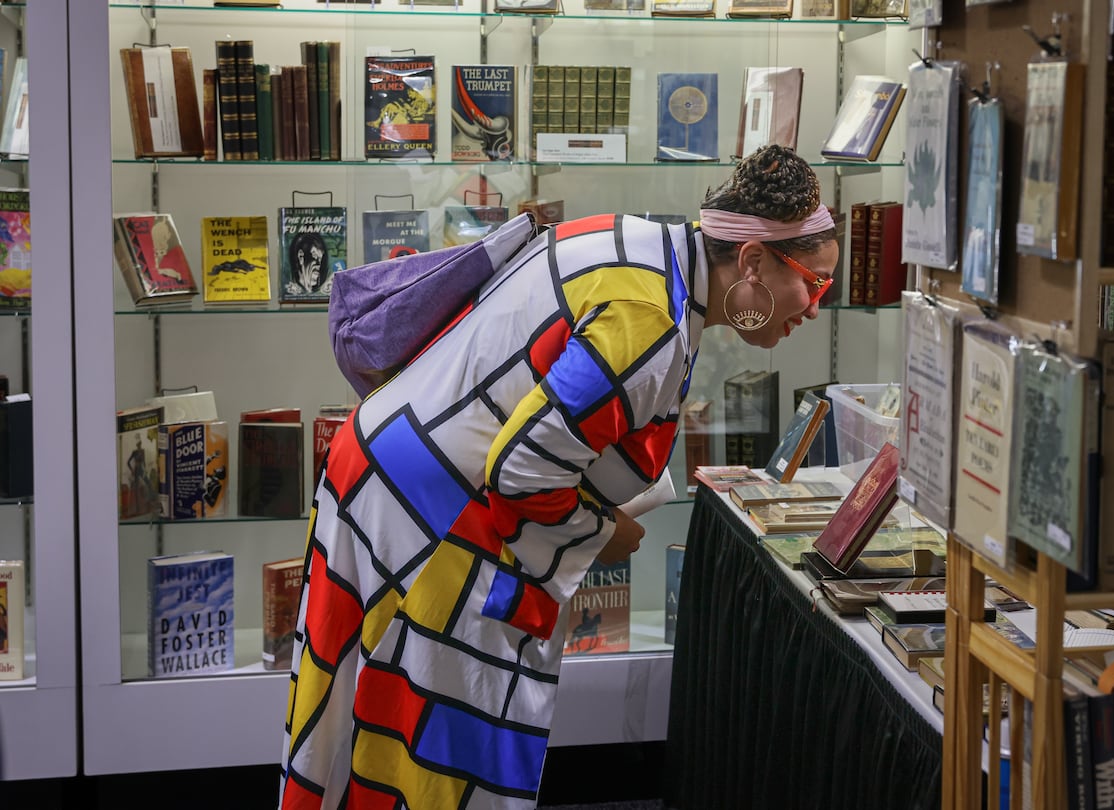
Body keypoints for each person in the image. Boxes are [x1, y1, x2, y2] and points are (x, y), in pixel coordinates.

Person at [280, 144, 839, 809]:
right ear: (752, 261)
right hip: (429, 517)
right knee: (423, 752)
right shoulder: (650, 322)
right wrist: (602, 533)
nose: (814, 307)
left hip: (388, 473)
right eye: (815, 282)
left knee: (355, 718)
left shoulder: (642, 247)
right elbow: (520, 474)